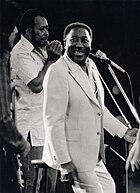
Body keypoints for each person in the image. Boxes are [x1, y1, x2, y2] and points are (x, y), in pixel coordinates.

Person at [42, 22, 138, 193]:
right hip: (74, 156)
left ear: (91, 44)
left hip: (94, 155)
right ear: (65, 42)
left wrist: (124, 132)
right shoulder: (57, 71)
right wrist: (64, 161)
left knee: (110, 188)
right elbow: (52, 121)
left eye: (84, 40)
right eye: (74, 40)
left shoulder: (92, 66)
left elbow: (98, 109)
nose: (79, 45)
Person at [10, 8, 62, 193]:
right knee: (33, 185)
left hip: (51, 128)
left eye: (47, 28)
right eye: (41, 29)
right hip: (33, 130)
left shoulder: (44, 50)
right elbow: (36, 85)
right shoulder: (19, 52)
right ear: (28, 31)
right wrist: (51, 60)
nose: (46, 33)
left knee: (50, 185)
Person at [0, 0, 30, 193]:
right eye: (14, 29)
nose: (16, 33)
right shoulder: (2, 58)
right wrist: (21, 143)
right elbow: (2, 116)